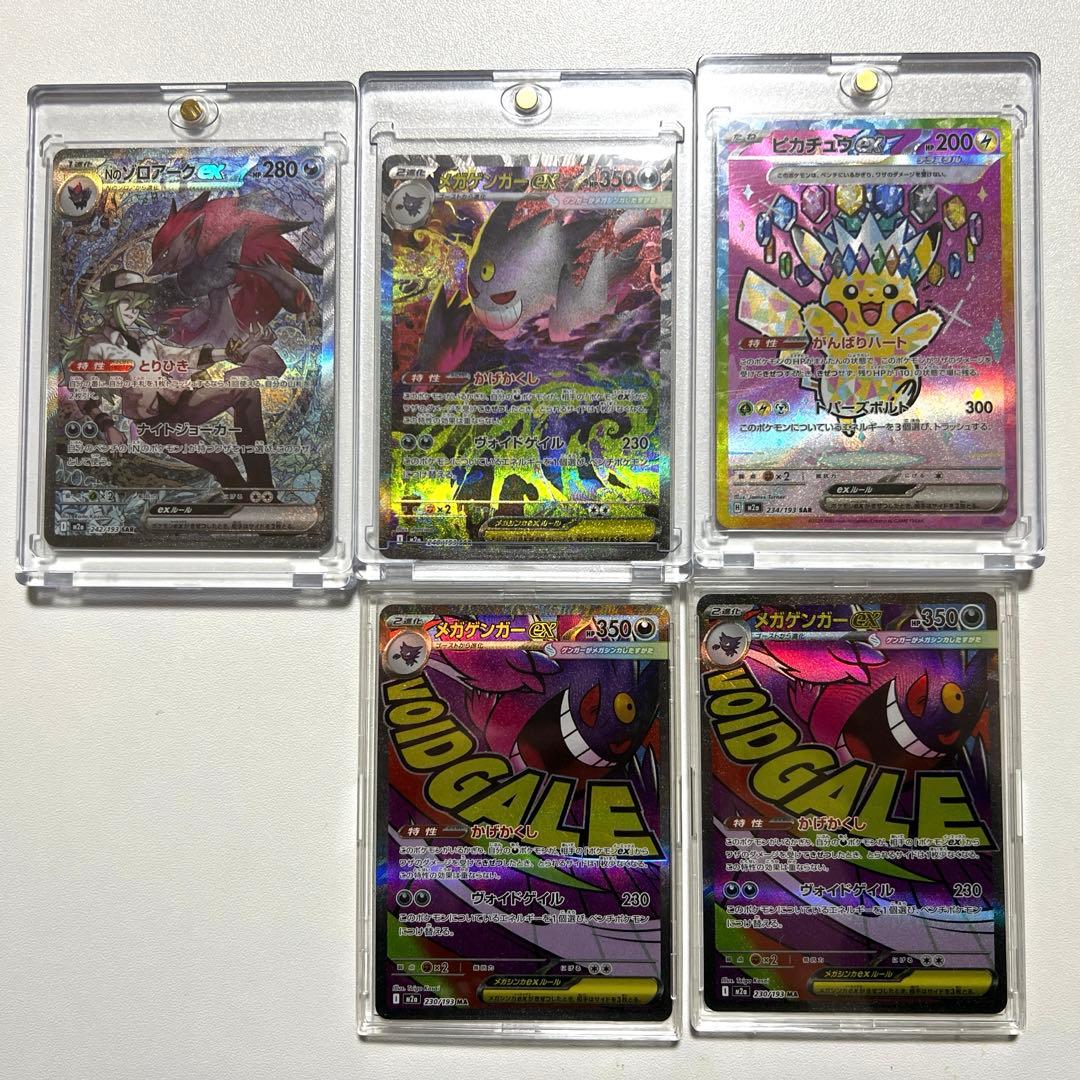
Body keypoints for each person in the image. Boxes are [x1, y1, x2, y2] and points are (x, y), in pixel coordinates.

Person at [62, 270, 285, 492]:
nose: (133, 310)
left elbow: (183, 357)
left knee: (246, 391)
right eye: (127, 302)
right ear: (108, 303)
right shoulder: (95, 345)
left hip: (185, 401)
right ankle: (247, 502)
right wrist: (107, 425)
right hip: (156, 424)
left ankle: (264, 489)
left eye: (138, 304)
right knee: (222, 464)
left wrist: (228, 353)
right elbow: (81, 387)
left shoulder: (145, 339)